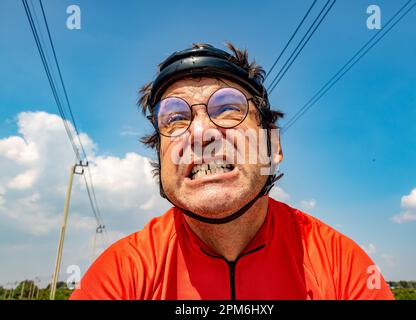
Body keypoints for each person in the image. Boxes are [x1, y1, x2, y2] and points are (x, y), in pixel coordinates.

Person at [70, 43, 394, 300]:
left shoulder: (343, 267)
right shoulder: (120, 273)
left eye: (227, 109)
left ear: (273, 146)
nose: (199, 134)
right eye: (174, 119)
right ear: (161, 161)